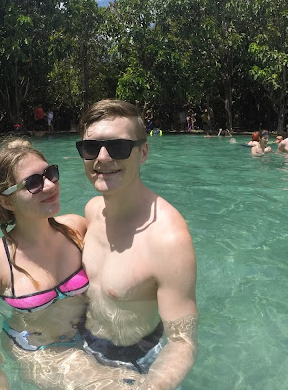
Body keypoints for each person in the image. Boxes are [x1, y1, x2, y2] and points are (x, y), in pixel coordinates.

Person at [0, 138, 134, 389]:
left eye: (50, 173)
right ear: (7, 201)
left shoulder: (76, 229)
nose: (49, 185)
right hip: (40, 352)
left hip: (90, 337)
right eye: (33, 183)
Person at [76, 99, 198, 389]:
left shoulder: (168, 240)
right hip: (82, 345)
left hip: (137, 362)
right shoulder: (92, 210)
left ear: (143, 152)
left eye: (118, 147)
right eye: (91, 148)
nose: (102, 158)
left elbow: (183, 342)